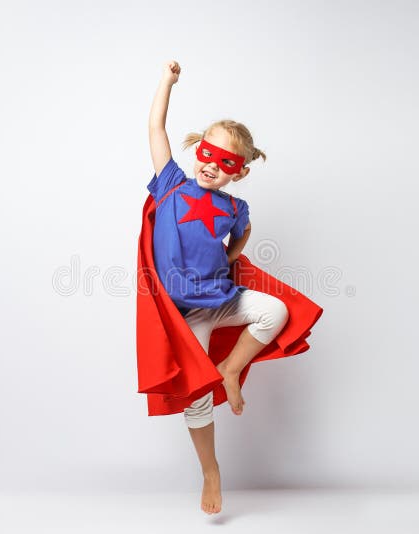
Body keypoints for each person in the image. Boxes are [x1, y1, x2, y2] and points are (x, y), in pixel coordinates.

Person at [147, 60, 293, 515]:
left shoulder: (236, 206)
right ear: (198, 151)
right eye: (208, 154)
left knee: (276, 311)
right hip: (187, 314)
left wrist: (230, 258)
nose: (212, 165)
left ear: (240, 171)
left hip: (221, 301)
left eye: (226, 162)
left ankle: (230, 369)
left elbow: (243, 233)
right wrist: (167, 82)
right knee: (194, 396)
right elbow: (155, 126)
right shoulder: (171, 184)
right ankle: (211, 470)